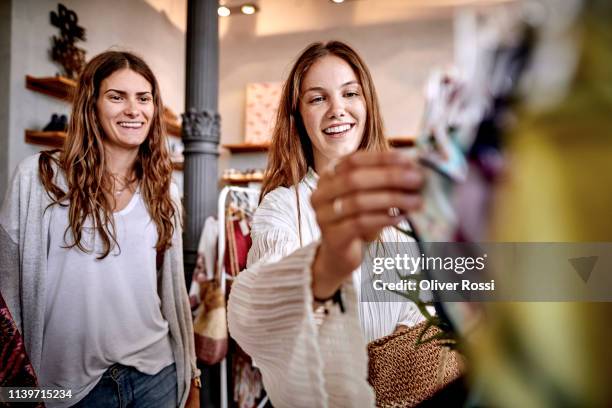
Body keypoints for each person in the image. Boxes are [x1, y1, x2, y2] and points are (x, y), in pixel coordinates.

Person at [228, 41, 425, 407]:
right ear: (298, 115)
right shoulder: (282, 206)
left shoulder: (398, 203)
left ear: (367, 104)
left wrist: (390, 360)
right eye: (317, 99)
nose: (338, 110)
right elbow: (255, 310)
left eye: (350, 93)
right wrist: (325, 267)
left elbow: (423, 295)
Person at [0, 51, 200, 408]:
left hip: (156, 375)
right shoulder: (39, 178)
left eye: (143, 98)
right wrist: (16, 394)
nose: (133, 110)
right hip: (64, 389)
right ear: (91, 105)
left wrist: (192, 376)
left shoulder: (164, 189)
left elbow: (171, 292)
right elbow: (6, 292)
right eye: (116, 97)